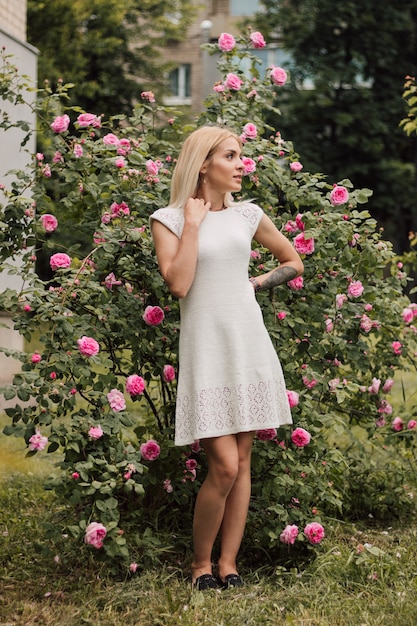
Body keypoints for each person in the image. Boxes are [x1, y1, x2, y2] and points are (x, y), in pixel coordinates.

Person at [150, 125, 304, 591]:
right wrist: (194, 225)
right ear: (203, 164)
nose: (242, 164)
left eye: (242, 156)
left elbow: (293, 260)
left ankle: (229, 565)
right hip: (207, 350)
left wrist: (256, 284)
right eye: (232, 156)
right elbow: (178, 284)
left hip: (248, 344)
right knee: (224, 465)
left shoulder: (248, 215)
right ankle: (200, 565)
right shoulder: (168, 219)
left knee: (243, 461)